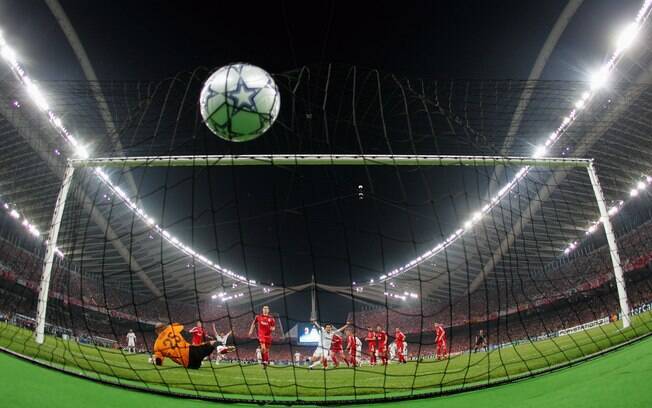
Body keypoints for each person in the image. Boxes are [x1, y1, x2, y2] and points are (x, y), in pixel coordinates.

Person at [151, 323, 217, 369]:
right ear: (165, 327)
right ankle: (220, 348)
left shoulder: (157, 345)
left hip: (189, 364)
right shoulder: (172, 328)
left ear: (156, 331)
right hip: (191, 351)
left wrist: (154, 361)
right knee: (213, 343)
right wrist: (169, 326)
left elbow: (159, 361)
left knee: (196, 358)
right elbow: (181, 326)